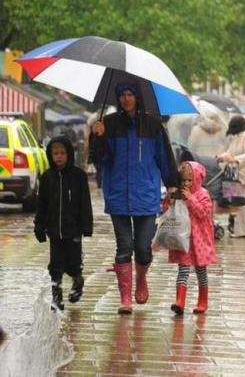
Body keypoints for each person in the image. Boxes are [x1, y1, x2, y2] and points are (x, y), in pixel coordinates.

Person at [91, 83, 178, 314]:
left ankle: (141, 278)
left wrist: (172, 183)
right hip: (118, 194)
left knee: (143, 248)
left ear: (137, 98)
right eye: (122, 95)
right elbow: (99, 160)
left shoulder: (152, 125)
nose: (126, 99)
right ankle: (125, 299)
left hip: (146, 195)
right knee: (124, 247)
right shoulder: (108, 124)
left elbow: (164, 156)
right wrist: (97, 137)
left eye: (130, 95)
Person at [34, 136, 93, 311]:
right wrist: (39, 225)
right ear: (50, 155)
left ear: (69, 154)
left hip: (73, 229)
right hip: (54, 230)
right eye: (55, 153)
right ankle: (57, 297)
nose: (59, 156)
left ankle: (77, 280)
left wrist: (86, 226)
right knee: (55, 265)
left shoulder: (79, 176)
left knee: (73, 263)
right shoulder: (47, 177)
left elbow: (85, 202)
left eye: (62, 153)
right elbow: (41, 204)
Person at [163, 162, 217, 315]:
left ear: (197, 179)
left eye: (189, 180)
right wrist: (169, 200)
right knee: (183, 269)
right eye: (183, 180)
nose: (186, 184)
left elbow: (203, 212)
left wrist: (191, 199)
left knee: (201, 271)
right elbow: (167, 211)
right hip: (183, 239)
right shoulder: (179, 193)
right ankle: (180, 301)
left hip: (199, 240)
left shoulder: (203, 194)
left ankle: (203, 301)